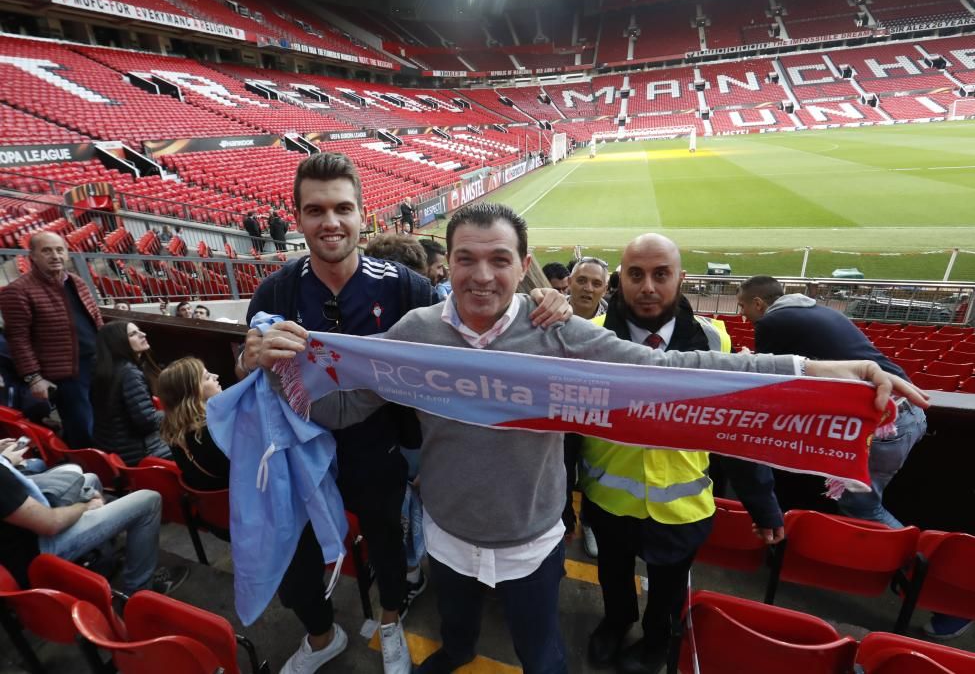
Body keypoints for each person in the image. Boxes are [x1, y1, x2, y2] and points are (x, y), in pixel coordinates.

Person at [254, 204, 924, 674]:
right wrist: (280, 369)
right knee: (455, 635)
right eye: (464, 259)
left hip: (532, 537)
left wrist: (813, 370)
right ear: (446, 265)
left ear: (524, 268)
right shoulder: (414, 332)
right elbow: (342, 407)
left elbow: (673, 371)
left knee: (541, 651)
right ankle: (452, 657)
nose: (479, 276)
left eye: (498, 260)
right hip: (450, 533)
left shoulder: (561, 335)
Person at [237, 155, 571, 674]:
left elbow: (475, 308)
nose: (331, 222)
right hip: (298, 459)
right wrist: (249, 360)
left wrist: (543, 297)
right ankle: (321, 635)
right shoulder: (276, 290)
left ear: (363, 215)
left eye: (343, 208)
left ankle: (391, 624)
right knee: (298, 561)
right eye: (316, 210)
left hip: (380, 451)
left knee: (389, 550)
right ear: (298, 217)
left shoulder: (399, 286)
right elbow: (246, 368)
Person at [580, 235, 787, 674]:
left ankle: (657, 639)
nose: (648, 286)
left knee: (668, 589)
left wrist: (763, 504)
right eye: (636, 275)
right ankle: (616, 624)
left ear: (681, 279)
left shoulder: (715, 342)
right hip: (609, 501)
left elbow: (737, 431)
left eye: (661, 274)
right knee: (613, 578)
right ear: (621, 280)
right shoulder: (589, 341)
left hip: (682, 506)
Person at [736, 276, 966, 641]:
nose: (743, 316)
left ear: (760, 305)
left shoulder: (772, 323)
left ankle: (950, 599)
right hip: (903, 417)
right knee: (857, 504)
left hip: (882, 426)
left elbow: (772, 382)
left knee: (866, 510)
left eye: (743, 307)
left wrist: (749, 362)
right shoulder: (817, 312)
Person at [0, 457, 188, 595]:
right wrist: (85, 506)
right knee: (149, 500)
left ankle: (104, 560)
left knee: (90, 479)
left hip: (25, 536)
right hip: (37, 553)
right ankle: (139, 591)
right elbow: (51, 524)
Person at [0, 231, 103, 448]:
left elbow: (96, 319)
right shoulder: (17, 291)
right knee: (82, 426)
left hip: (96, 363)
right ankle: (90, 470)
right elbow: (18, 339)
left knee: (104, 420)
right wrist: (34, 378)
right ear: (33, 257)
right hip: (66, 374)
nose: (55, 255)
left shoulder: (76, 282)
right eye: (46, 251)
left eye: (59, 250)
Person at [563, 256, 611, 558]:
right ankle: (565, 519)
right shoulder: (545, 312)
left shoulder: (615, 322)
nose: (588, 288)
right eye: (581, 280)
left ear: (605, 289)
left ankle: (590, 523)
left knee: (596, 474)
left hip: (599, 413)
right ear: (569, 282)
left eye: (596, 283)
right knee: (563, 471)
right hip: (561, 412)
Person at [91, 321, 171, 466]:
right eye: (134, 334)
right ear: (119, 343)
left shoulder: (103, 369)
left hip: (112, 448)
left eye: (139, 330)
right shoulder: (129, 373)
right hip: (136, 454)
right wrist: (176, 412)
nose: (143, 334)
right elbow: (147, 422)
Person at [158, 358, 228, 492]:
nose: (216, 377)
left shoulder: (173, 431)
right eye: (207, 377)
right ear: (193, 392)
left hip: (211, 507)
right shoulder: (213, 431)